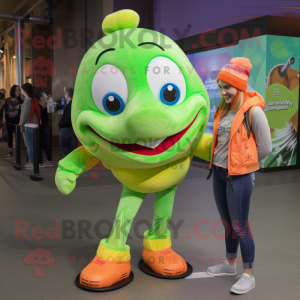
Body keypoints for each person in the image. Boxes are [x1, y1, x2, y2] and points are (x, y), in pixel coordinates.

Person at [206, 58, 272, 294]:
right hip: (219, 173)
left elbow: (265, 147)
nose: (223, 91)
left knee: (240, 225)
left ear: (240, 87)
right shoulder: (223, 110)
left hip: (240, 177)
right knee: (228, 224)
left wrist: (246, 165)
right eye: (221, 86)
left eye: (228, 87)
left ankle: (248, 275)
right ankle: (229, 264)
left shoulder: (253, 112)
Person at [20, 83, 40, 169]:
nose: (21, 91)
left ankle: (31, 162)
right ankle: (32, 162)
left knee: (29, 145)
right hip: (33, 125)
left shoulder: (27, 101)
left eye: (21, 89)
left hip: (28, 125)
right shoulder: (32, 100)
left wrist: (21, 125)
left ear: (24, 91)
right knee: (31, 145)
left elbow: (25, 114)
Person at [3, 85, 23, 159]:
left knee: (18, 136)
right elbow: (5, 110)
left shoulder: (21, 100)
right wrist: (4, 120)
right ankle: (10, 153)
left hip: (17, 122)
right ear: (13, 91)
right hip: (8, 121)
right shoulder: (7, 100)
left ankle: (18, 152)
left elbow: (22, 112)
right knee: (9, 136)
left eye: (19, 90)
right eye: (17, 90)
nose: (18, 92)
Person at [35, 88, 53, 167]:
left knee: (44, 143)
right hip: (39, 124)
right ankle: (41, 161)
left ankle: (48, 160)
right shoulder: (36, 102)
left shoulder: (47, 102)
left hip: (45, 125)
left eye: (45, 92)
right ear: (39, 94)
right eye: (43, 92)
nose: (44, 94)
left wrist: (50, 100)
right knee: (40, 144)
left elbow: (51, 111)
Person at [58, 88, 77, 157]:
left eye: (65, 93)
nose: (64, 94)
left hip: (66, 129)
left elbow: (67, 119)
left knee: (63, 147)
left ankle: (68, 163)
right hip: (73, 129)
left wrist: (60, 124)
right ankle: (73, 164)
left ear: (68, 94)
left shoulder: (69, 106)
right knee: (72, 148)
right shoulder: (75, 105)